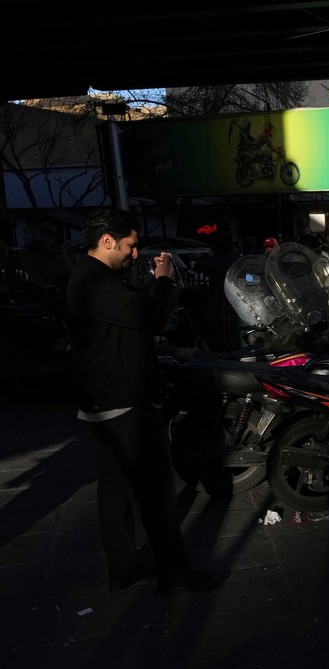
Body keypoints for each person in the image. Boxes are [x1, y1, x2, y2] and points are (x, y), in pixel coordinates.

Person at [66, 208, 227, 595]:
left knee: (115, 492)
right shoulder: (97, 282)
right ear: (107, 241)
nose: (134, 254)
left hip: (102, 403)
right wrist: (164, 280)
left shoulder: (90, 278)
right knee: (156, 497)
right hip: (125, 405)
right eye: (130, 246)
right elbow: (152, 316)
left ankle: (123, 569)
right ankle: (176, 573)